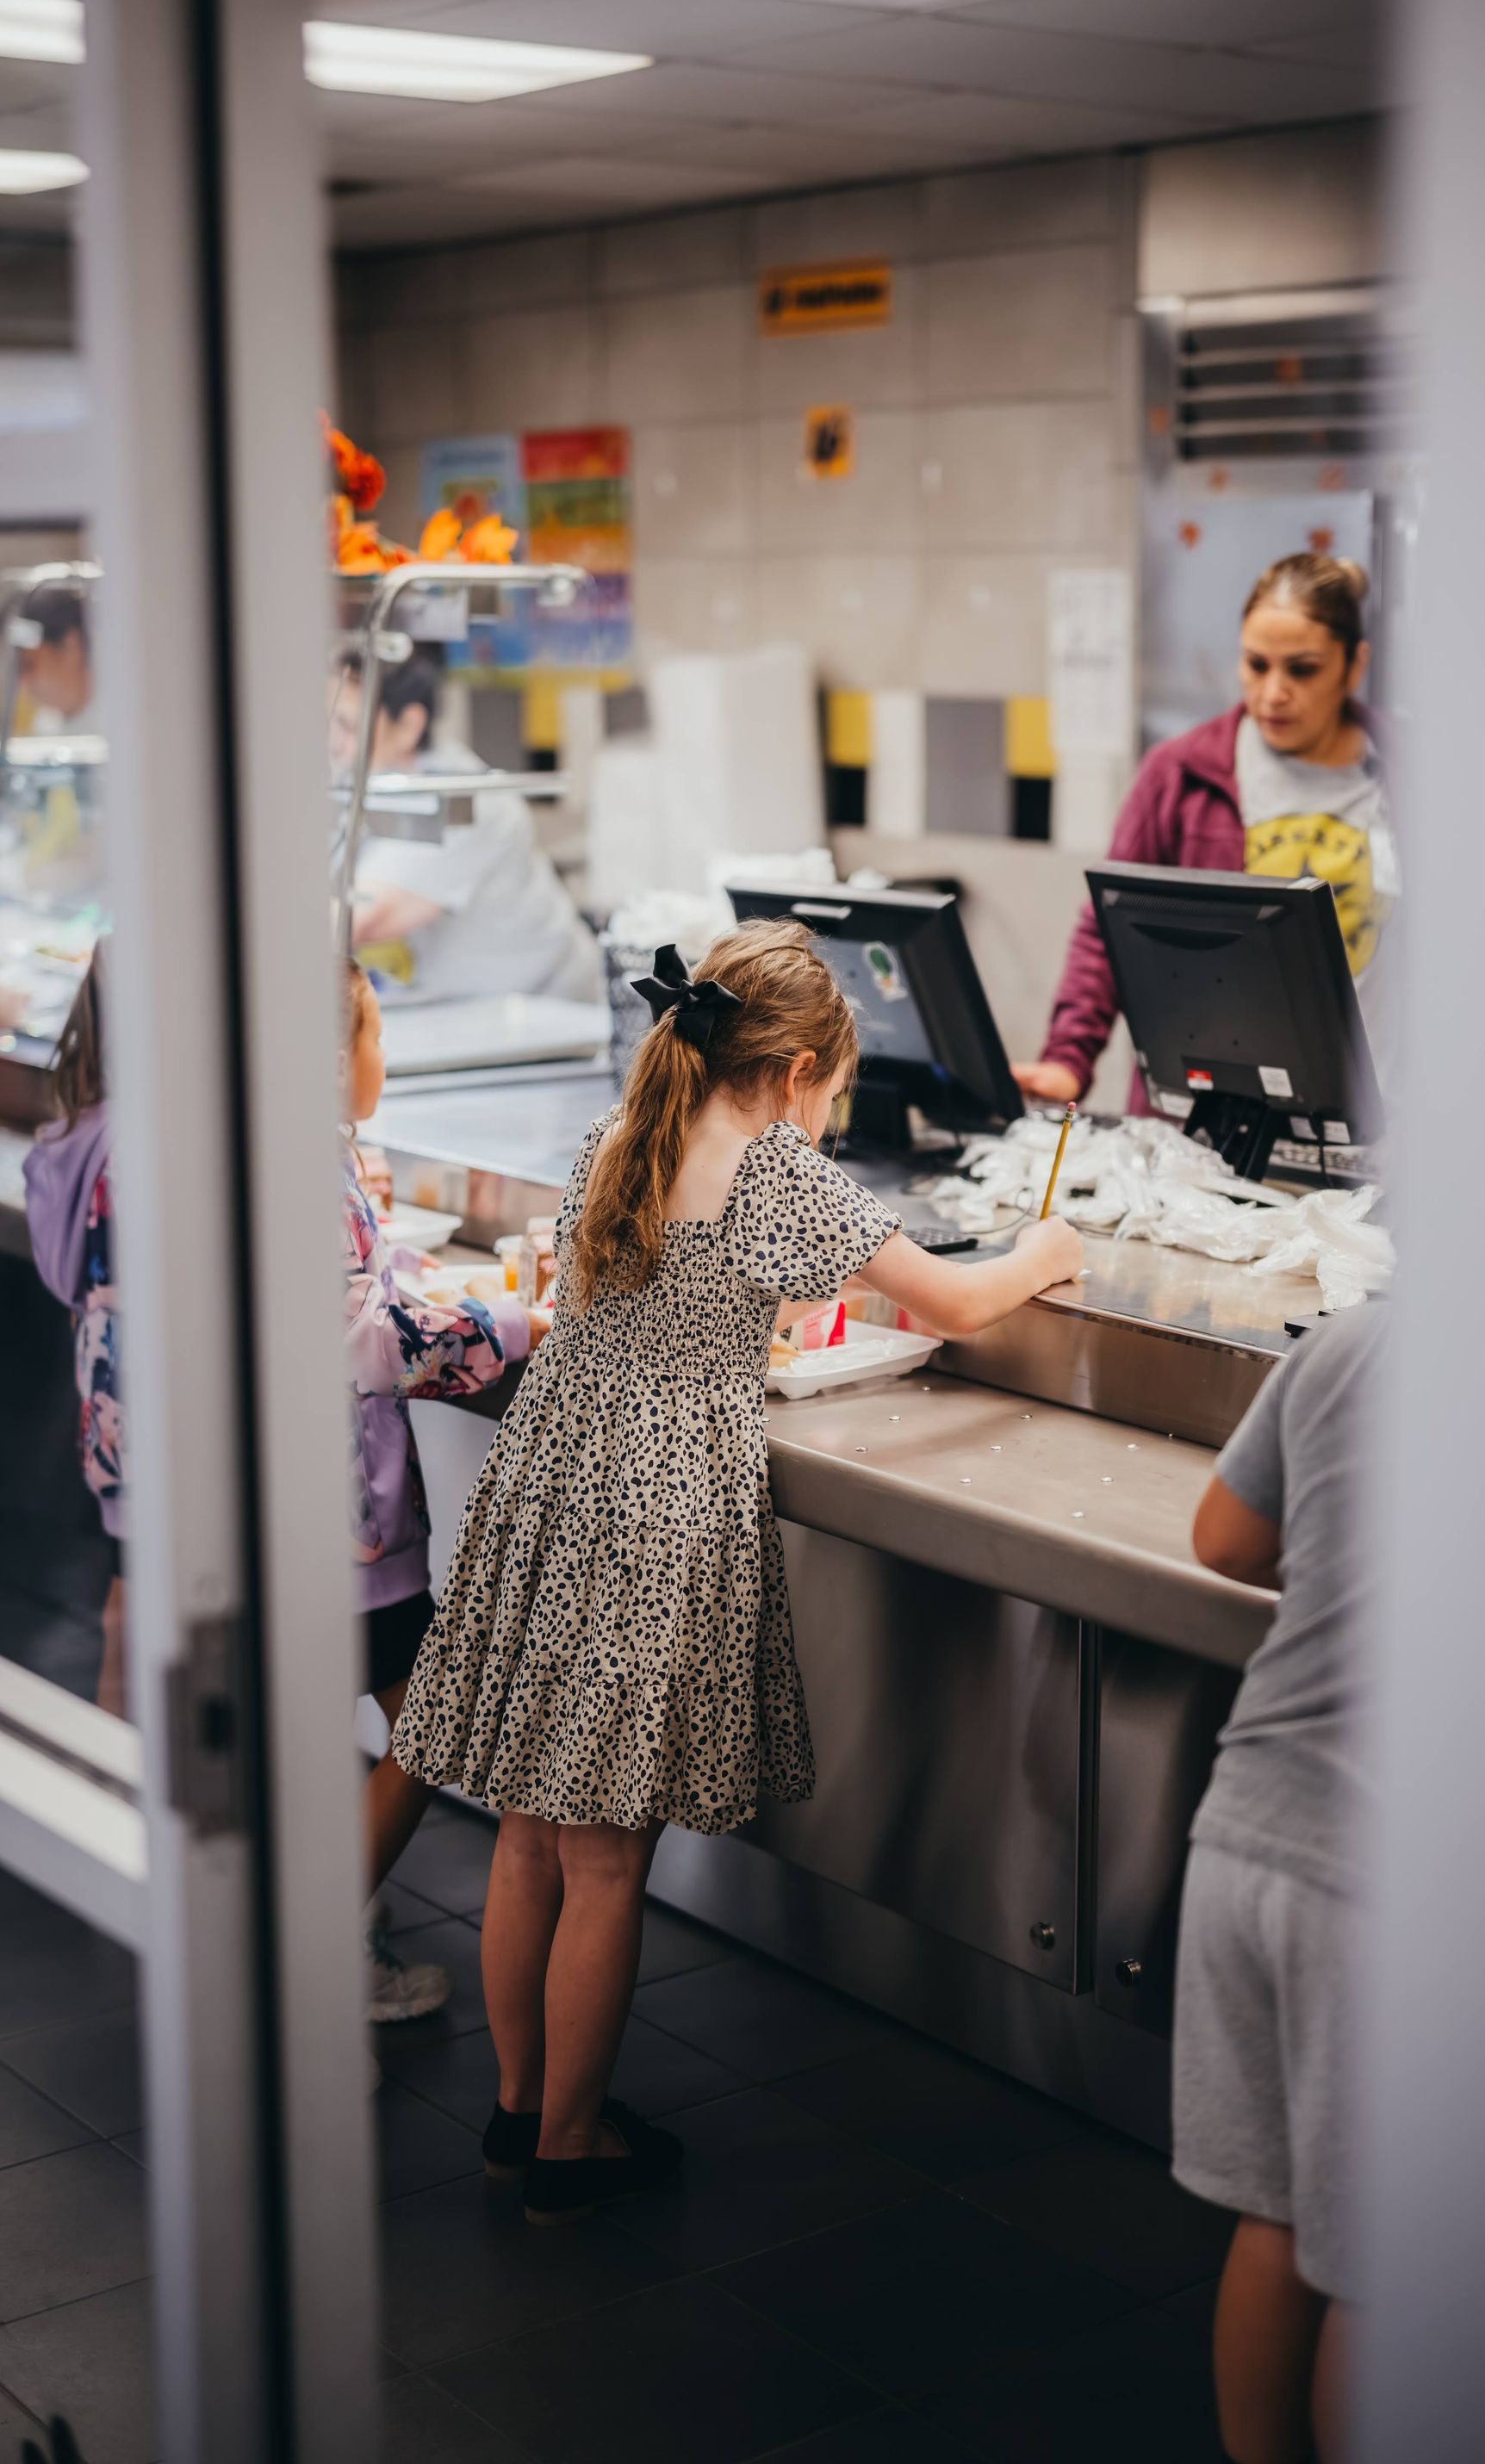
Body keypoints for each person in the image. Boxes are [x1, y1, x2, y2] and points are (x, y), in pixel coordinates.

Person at [390, 921, 1084, 2222]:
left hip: (554, 1485)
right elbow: (954, 1302)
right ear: (807, 1066)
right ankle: (573, 2147)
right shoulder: (777, 1176)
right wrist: (1044, 1255)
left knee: (530, 1841)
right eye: (835, 1088)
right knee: (607, 1863)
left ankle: (518, 2108)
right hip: (655, 1516)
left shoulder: (624, 1131)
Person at [1175, 1300, 1386, 2464]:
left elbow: (1224, 1541)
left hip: (1249, 1826)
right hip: (1392, 1880)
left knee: (1282, 2220)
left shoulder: (1356, 1337)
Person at [339, 961, 550, 2021]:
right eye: (377, 1036)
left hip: (318, 1529)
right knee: (432, 1724)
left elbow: (358, 1293)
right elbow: (368, 1338)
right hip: (350, 1543)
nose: (386, 1058)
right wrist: (518, 1325)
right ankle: (319, 1942)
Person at [1016, 554, 1399, 1110]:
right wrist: (1067, 1058)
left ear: (1354, 665)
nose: (1272, 692)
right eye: (1256, 665)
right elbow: (1107, 928)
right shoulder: (1179, 775)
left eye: (1302, 669)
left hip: (1376, 1122)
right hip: (1210, 1130)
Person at [329, 642, 600, 1004]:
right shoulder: (379, 779)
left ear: (409, 725)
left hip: (545, 1004)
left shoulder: (460, 803)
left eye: (347, 725)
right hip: (472, 998)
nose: (333, 742)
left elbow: (359, 919)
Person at [22, 953, 123, 1716]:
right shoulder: (142, 1147)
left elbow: (67, 1281)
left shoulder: (68, 1132)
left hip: (100, 1410)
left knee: (124, 1593)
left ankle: (119, 1780)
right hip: (149, 1415)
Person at [16, 585, 94, 735]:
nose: (22, 682)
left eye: (29, 665)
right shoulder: (44, 734)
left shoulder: (131, 716)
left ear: (72, 645)